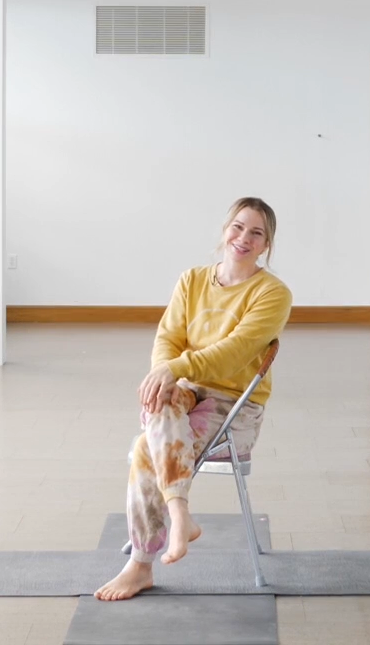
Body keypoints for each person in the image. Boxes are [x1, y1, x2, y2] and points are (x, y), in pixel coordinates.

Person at [93, 197, 293, 601]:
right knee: (161, 407)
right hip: (186, 389)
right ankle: (180, 512)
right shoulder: (192, 280)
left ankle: (140, 565)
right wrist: (165, 374)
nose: (244, 238)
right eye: (238, 227)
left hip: (235, 404)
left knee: (145, 447)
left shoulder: (273, 293)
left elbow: (236, 350)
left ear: (267, 244)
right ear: (224, 230)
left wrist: (174, 370)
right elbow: (167, 337)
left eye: (257, 233)